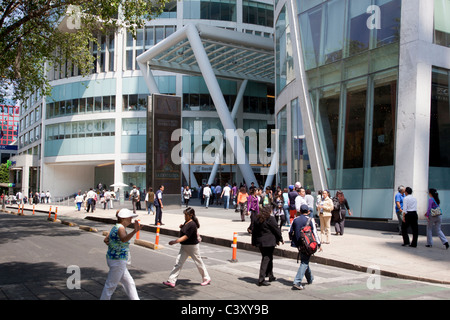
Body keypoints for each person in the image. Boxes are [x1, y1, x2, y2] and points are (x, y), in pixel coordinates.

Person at [163, 207, 211, 288]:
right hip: (184, 246)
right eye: (184, 215)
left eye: (186, 215)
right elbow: (185, 232)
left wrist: (175, 241)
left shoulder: (192, 224)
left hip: (192, 246)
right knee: (178, 263)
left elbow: (186, 236)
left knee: (198, 262)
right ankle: (171, 280)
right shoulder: (187, 222)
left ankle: (206, 278)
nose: (184, 216)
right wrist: (182, 227)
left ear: (191, 215)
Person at [100, 209, 141, 300]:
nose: (131, 219)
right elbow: (123, 239)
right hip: (118, 260)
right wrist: (135, 231)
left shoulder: (115, 227)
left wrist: (114, 246)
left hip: (114, 259)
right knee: (110, 285)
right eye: (130, 217)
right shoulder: (121, 228)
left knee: (129, 283)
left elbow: (106, 240)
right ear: (124, 218)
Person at [289, 204, 322, 290]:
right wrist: (318, 244)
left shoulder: (295, 220)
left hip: (299, 243)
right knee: (304, 262)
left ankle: (310, 278)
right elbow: (315, 232)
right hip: (308, 243)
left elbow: (290, 231)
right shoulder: (311, 220)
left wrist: (293, 240)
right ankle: (297, 281)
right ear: (308, 211)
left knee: (304, 259)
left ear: (300, 211)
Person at [251, 206, 284, 286]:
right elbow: (276, 229)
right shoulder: (270, 218)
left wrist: (253, 242)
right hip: (269, 242)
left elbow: (254, 231)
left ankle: (270, 275)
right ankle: (261, 279)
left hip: (261, 242)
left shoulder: (257, 219)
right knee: (266, 258)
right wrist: (280, 239)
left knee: (269, 257)